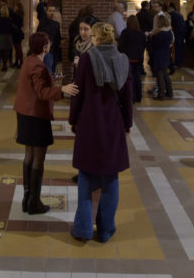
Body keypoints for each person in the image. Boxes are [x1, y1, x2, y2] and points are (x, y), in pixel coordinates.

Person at [69, 22, 134, 242]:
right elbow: (128, 97)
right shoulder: (123, 60)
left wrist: (72, 118)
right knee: (110, 177)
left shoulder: (88, 59)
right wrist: (127, 123)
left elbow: (78, 91)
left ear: (96, 38)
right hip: (114, 122)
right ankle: (106, 230)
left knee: (86, 175)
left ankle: (84, 229)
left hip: (90, 120)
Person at [14, 32, 78, 214]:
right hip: (35, 115)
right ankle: (34, 201)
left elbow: (36, 86)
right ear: (44, 47)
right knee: (38, 158)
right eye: (48, 43)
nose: (50, 44)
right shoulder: (38, 66)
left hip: (24, 113)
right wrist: (62, 90)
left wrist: (53, 81)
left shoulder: (29, 60)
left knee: (29, 155)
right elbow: (42, 93)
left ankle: (27, 199)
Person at [118, 15, 146, 102]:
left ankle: (131, 97)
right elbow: (143, 45)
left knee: (129, 78)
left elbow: (121, 46)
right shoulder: (141, 33)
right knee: (137, 77)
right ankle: (138, 96)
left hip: (127, 58)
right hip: (137, 58)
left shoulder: (125, 32)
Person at [148, 12, 173, 100]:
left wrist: (152, 36)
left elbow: (155, 44)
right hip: (166, 53)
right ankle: (170, 93)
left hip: (159, 54)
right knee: (165, 74)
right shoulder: (169, 32)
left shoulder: (160, 34)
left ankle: (161, 94)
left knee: (160, 75)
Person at [36, 5, 62, 74]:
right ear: (46, 11)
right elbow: (38, 34)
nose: (52, 13)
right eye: (50, 11)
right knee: (48, 71)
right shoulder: (43, 22)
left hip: (55, 50)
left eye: (53, 11)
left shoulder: (56, 23)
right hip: (47, 50)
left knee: (53, 70)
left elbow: (58, 37)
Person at [0, 3, 13, 72]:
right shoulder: (10, 19)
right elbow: (11, 28)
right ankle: (6, 63)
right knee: (7, 50)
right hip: (8, 36)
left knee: (1, 50)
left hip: (1, 35)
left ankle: (4, 64)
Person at [168, 3, 186, 71]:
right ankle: (179, 62)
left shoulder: (172, 14)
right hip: (182, 32)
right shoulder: (179, 13)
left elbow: (169, 23)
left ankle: (177, 63)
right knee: (180, 48)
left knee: (177, 48)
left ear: (171, 8)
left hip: (177, 33)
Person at [12, 2, 26, 69]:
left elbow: (15, 24)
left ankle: (21, 62)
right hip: (19, 33)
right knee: (18, 48)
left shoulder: (15, 15)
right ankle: (17, 62)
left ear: (18, 7)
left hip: (16, 33)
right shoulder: (20, 15)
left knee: (18, 49)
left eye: (15, 6)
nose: (14, 7)